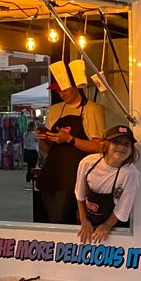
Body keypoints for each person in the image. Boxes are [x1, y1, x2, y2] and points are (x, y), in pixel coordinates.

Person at [33, 82, 106, 223]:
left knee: (60, 220)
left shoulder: (92, 109)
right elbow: (49, 150)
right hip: (52, 174)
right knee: (52, 220)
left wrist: (70, 139)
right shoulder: (54, 110)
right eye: (58, 90)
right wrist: (43, 139)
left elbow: (99, 147)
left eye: (65, 89)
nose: (62, 94)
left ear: (77, 87)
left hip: (74, 176)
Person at [75, 125, 141, 244]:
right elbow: (80, 194)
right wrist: (84, 220)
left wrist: (106, 226)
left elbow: (123, 208)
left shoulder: (131, 174)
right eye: (116, 142)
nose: (121, 147)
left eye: (127, 144)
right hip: (86, 217)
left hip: (113, 223)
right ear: (106, 145)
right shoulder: (87, 162)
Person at [22, 120, 40, 190]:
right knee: (32, 168)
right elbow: (38, 140)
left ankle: (28, 182)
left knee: (29, 167)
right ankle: (30, 183)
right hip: (33, 152)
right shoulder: (34, 134)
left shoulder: (25, 134)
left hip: (26, 151)